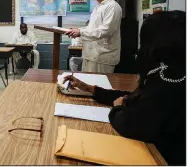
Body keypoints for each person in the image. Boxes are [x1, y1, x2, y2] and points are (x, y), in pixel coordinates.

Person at [63, 11, 186, 165]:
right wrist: (90, 89)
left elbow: (134, 125)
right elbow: (136, 98)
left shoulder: (168, 77)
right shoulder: (174, 71)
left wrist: (118, 110)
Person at [65, 0, 122, 73]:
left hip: (103, 58)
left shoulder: (112, 7)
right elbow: (92, 28)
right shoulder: (98, 7)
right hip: (91, 56)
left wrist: (80, 33)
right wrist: (78, 30)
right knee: (86, 85)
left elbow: (106, 31)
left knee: (97, 87)